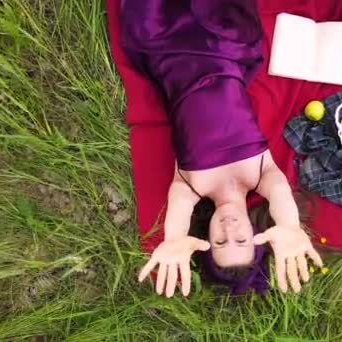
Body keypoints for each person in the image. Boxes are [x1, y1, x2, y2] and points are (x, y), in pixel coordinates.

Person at [121, 0, 322, 297]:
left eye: (219, 242)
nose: (229, 230)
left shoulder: (190, 187)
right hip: (225, 47)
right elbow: (281, 195)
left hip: (169, 51)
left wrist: (174, 238)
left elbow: (177, 216)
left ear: (206, 238)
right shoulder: (262, 177)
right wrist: (290, 227)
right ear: (256, 236)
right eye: (240, 241)